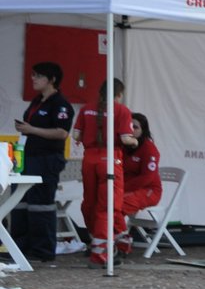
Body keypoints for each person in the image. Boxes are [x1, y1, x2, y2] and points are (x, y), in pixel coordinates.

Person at [9, 61, 74, 264]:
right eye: (33, 75)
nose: (33, 79)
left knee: (41, 204)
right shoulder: (37, 101)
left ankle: (42, 250)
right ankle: (20, 247)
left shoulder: (60, 104)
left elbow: (62, 132)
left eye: (38, 76)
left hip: (46, 159)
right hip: (27, 156)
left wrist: (32, 130)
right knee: (20, 201)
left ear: (52, 79)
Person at [72, 79, 137, 267]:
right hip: (110, 159)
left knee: (90, 204)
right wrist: (135, 142)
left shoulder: (86, 109)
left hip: (89, 159)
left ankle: (115, 241)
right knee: (108, 207)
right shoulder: (122, 110)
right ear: (119, 94)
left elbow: (76, 136)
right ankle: (101, 252)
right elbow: (126, 138)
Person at [119, 112, 163, 255]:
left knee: (118, 205)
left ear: (143, 130)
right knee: (103, 202)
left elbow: (147, 178)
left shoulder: (149, 149)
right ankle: (108, 239)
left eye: (135, 127)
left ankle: (121, 241)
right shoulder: (124, 146)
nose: (131, 130)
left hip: (149, 190)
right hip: (127, 188)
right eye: (129, 126)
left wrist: (121, 189)